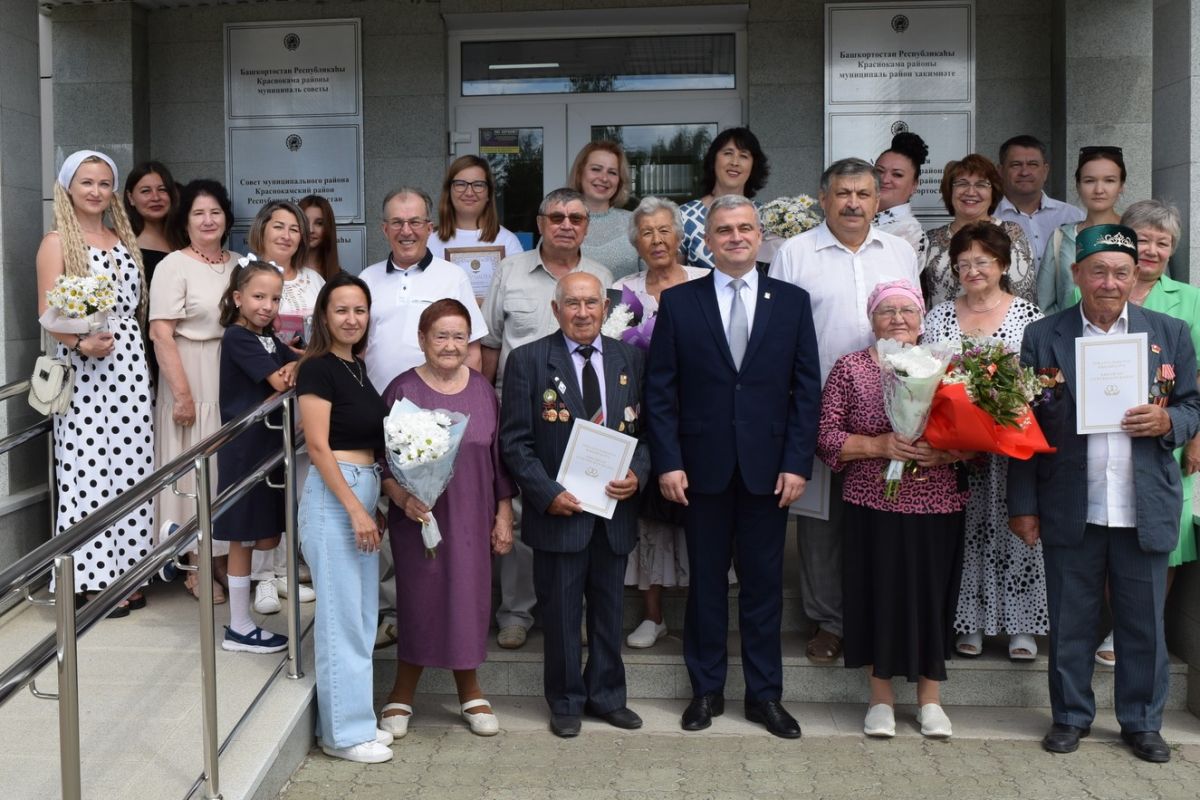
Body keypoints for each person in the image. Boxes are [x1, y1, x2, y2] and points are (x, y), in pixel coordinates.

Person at [1008, 224, 1200, 763]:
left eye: (1121, 271)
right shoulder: (1044, 336)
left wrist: (1167, 421)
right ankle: (1070, 717)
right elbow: (1022, 425)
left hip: (1144, 502)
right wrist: (1022, 504)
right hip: (1071, 501)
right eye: (1098, 270)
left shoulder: (1170, 332)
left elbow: (1192, 406)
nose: (1110, 282)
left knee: (1144, 624)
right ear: (1077, 275)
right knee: (1071, 618)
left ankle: (1142, 722)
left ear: (1136, 273)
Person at [648, 195, 820, 739]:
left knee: (764, 586)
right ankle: (706, 691)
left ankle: (765, 696)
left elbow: (805, 391)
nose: (736, 237)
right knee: (704, 586)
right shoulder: (679, 302)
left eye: (745, 228)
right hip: (700, 471)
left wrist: (798, 463)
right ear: (709, 239)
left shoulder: (791, 301)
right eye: (725, 230)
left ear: (759, 234)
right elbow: (660, 392)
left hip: (770, 471)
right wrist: (668, 463)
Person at [769, 157, 920, 665]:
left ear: (879, 200)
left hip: (894, 404)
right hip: (819, 404)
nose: (853, 203)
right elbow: (780, 331)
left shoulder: (900, 250)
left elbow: (912, 320)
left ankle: (879, 615)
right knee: (821, 521)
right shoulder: (795, 253)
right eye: (843, 193)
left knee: (884, 514)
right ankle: (828, 620)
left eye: (863, 193)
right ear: (823, 197)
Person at [817, 279, 969, 739]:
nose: (898, 318)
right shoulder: (850, 369)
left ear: (923, 317)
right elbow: (825, 436)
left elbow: (981, 440)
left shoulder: (950, 367)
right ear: (871, 319)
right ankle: (879, 697)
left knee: (930, 597)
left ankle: (930, 700)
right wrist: (876, 444)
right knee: (876, 593)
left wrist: (948, 453)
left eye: (908, 310)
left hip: (937, 501)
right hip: (871, 502)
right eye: (887, 311)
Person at [499, 272, 648, 738]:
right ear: (555, 308)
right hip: (560, 512)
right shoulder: (527, 361)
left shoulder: (631, 358)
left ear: (605, 308)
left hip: (613, 511)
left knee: (608, 613)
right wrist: (547, 494)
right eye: (572, 304)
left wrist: (638, 472)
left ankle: (607, 696)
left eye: (590, 303)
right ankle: (565, 701)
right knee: (562, 616)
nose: (582, 312)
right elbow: (515, 442)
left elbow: (649, 431)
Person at [481, 188, 613, 650]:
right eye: (556, 216)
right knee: (518, 512)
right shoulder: (509, 272)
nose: (566, 224)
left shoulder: (599, 275)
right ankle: (516, 612)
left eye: (576, 217)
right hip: (519, 411)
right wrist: (484, 409)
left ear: (586, 226)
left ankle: (573, 612)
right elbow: (492, 345)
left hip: (582, 417)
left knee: (580, 510)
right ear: (539, 223)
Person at [377, 300, 515, 739]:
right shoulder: (401, 390)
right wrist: (400, 495)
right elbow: (379, 460)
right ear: (422, 340)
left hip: (473, 515)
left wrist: (504, 513)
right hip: (418, 518)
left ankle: (470, 690)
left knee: (467, 600)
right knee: (420, 600)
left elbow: (498, 461)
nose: (450, 345)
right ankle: (402, 691)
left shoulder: (481, 391)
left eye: (459, 336)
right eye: (441, 335)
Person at [360, 187, 489, 648]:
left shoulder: (453, 276)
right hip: (379, 416)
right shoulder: (368, 278)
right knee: (382, 515)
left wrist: (459, 418)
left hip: (439, 429)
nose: (407, 230)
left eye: (416, 221)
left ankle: (430, 617)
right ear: (384, 229)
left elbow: (471, 348)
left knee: (428, 521)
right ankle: (388, 613)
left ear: (431, 227)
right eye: (397, 222)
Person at [36, 150, 154, 616]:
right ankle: (91, 578)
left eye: (104, 183)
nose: (96, 191)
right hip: (83, 365)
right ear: (68, 188)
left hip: (127, 362)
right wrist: (80, 341)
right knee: (87, 470)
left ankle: (130, 572)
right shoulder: (56, 241)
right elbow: (46, 313)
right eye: (86, 182)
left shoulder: (121, 237)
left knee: (130, 468)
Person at [923, 223, 1046, 660]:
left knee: (1017, 526)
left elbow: (1042, 384)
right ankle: (968, 622)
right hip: (956, 453)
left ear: (1003, 265)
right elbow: (926, 376)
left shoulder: (1029, 317)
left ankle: (1021, 627)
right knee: (965, 534)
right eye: (964, 263)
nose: (973, 270)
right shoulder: (937, 316)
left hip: (1012, 451)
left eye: (983, 262)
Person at [1090, 199, 1200, 667]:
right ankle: (1121, 622)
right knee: (1112, 524)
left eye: (1163, 242)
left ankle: (1138, 628)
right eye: (1144, 240)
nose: (1152, 249)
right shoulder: (1097, 288)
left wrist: (1195, 435)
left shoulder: (1188, 300)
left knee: (1163, 536)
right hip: (1102, 440)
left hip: (1167, 439)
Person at [296, 272, 393, 764]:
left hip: (362, 489)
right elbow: (317, 446)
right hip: (337, 498)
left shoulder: (356, 366)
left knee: (361, 616)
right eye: (341, 310)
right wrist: (357, 508)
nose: (352, 318)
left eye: (359, 310)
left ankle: (358, 718)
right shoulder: (317, 368)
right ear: (324, 316)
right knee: (340, 622)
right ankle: (342, 735)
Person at [612, 197, 708, 648]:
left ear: (680, 236)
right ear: (636, 241)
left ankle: (701, 613)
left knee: (701, 516)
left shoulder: (707, 282)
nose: (656, 240)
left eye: (664, 230)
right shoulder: (622, 290)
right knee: (649, 519)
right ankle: (653, 616)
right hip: (641, 421)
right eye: (647, 232)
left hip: (700, 419)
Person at [151, 179, 240, 601]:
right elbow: (161, 333)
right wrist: (182, 394)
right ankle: (195, 563)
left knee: (227, 470)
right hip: (192, 373)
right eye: (198, 213)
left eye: (215, 212)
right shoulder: (174, 265)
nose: (208, 220)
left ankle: (225, 557)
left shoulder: (239, 263)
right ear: (185, 222)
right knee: (194, 470)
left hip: (231, 375)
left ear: (227, 218)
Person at [215, 259, 297, 653]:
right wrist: (304, 364)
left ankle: (244, 622)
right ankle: (239, 626)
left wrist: (299, 360)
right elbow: (282, 379)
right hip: (244, 448)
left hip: (266, 446)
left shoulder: (268, 338)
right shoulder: (238, 337)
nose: (267, 305)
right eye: (258, 296)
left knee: (263, 534)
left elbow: (290, 360)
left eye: (275, 298)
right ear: (237, 297)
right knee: (242, 538)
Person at [923, 154, 1036, 307]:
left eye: (981, 184)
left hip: (1002, 328)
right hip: (942, 327)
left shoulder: (1011, 234)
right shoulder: (931, 240)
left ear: (993, 192)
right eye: (962, 183)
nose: (970, 192)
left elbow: (1024, 297)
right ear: (950, 191)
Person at [1038, 146, 1126, 314]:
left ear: (1121, 185)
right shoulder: (1061, 238)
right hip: (1070, 336)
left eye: (1109, 180)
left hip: (1129, 336)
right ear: (1078, 185)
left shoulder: (1137, 234)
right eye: (1089, 181)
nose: (1099, 190)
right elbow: (1044, 305)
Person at [679, 128, 769, 269]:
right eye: (728, 153)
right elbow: (673, 277)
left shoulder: (767, 216)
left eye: (744, 156)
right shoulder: (683, 216)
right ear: (713, 159)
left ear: (753, 166)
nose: (735, 162)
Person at [995, 134, 1086, 272]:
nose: (1024, 172)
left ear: (1045, 170)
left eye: (1033, 164)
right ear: (1000, 171)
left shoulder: (1073, 217)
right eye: (1015, 165)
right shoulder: (989, 218)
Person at [248, 200, 322, 353]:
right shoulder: (245, 276)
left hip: (313, 369)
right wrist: (282, 350)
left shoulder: (315, 279)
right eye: (278, 227)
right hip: (264, 370)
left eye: (294, 230)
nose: (286, 236)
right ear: (262, 230)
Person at [429, 155, 524, 262]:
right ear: (448, 192)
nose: (469, 193)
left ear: (489, 193)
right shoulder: (429, 240)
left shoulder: (508, 241)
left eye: (478, 185)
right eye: (460, 184)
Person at [568, 141, 640, 279]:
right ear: (580, 172)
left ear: (619, 180)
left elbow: (653, 280)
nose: (604, 178)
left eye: (612, 172)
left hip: (627, 301)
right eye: (596, 169)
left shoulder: (636, 222)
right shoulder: (558, 222)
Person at [873, 131, 930, 261]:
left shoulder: (910, 232)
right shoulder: (856, 217)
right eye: (879, 171)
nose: (885, 179)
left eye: (897, 174)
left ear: (914, 185)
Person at [123, 160, 179, 288]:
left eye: (162, 190)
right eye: (146, 191)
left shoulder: (187, 239)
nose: (155, 197)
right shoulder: (123, 247)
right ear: (131, 198)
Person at [298, 194, 343, 280]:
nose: (311, 230)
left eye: (319, 223)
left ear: (327, 227)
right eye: (305, 222)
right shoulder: (282, 271)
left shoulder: (340, 277)